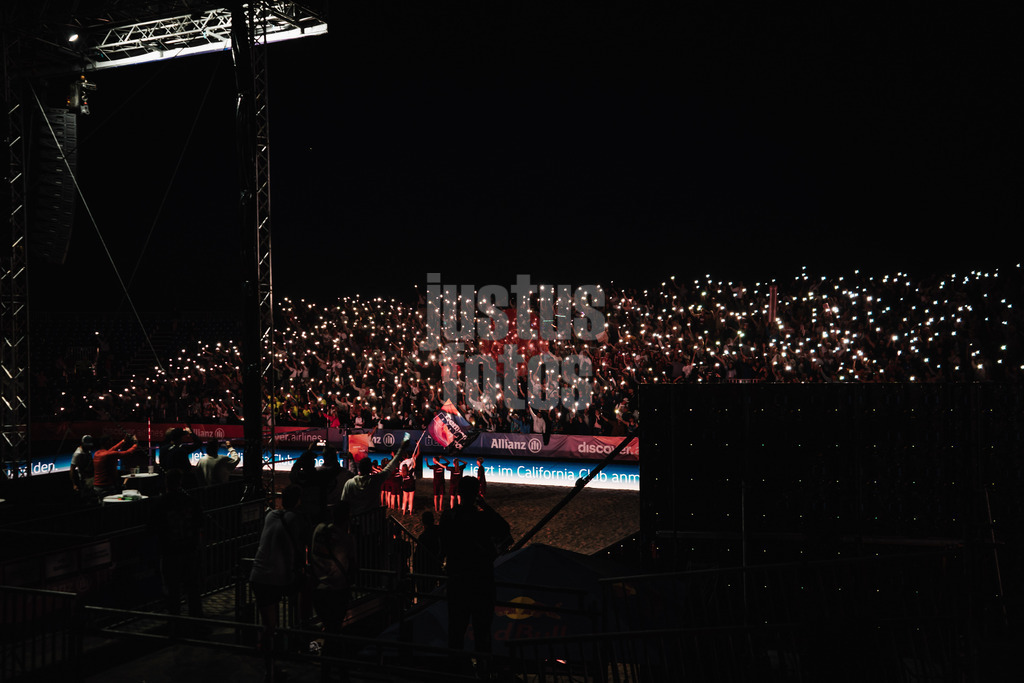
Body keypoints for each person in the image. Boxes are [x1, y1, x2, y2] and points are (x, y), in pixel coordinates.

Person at [439, 476, 511, 678]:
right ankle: (483, 671)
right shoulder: (483, 518)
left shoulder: (449, 516)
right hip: (481, 581)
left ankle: (455, 672)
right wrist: (485, 505)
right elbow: (504, 528)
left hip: (457, 580)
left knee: (456, 631)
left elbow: (442, 546)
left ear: (459, 493)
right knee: (482, 633)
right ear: (476, 493)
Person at [250, 485, 308, 672]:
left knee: (269, 625)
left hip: (258, 574)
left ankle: (269, 666)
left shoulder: (271, 516)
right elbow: (300, 548)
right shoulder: (297, 520)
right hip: (278, 577)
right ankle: (299, 634)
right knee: (303, 593)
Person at [309, 501, 357, 681]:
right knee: (334, 631)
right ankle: (334, 670)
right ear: (348, 518)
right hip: (337, 590)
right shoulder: (347, 539)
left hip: (318, 589)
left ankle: (332, 669)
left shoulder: (318, 530)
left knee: (330, 630)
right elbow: (353, 569)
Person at [148, 468, 205, 619]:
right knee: (192, 589)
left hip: (170, 552)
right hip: (189, 550)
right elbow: (199, 525)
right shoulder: (190, 501)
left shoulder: (160, 503)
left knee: (172, 591)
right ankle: (196, 621)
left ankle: (175, 624)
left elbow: (152, 528)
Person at [340, 433, 409, 518]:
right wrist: (401, 449)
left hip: (356, 522)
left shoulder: (349, 483)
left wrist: (351, 460)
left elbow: (343, 503)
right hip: (373, 522)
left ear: (359, 469)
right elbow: (391, 465)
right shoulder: (376, 480)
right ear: (370, 469)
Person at [69, 434, 96, 504]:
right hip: (84, 480)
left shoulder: (88, 451)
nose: (88, 447)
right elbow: (72, 469)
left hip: (92, 477)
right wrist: (74, 484)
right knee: (87, 498)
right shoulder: (78, 454)